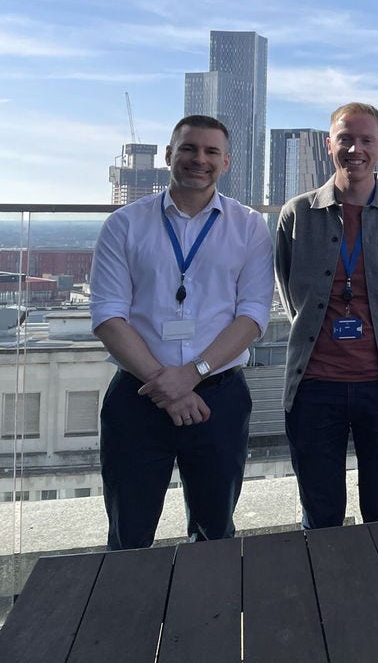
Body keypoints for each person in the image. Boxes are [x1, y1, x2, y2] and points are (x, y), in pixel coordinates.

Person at [90, 115, 274, 550]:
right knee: (127, 534)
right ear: (169, 155)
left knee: (215, 535)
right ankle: (130, 619)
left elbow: (252, 317)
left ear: (226, 162)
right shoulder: (125, 224)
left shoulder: (249, 226)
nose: (199, 159)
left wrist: (190, 375)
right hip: (138, 399)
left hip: (218, 398)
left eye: (211, 152)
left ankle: (208, 620)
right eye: (189, 148)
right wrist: (166, 383)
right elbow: (108, 316)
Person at [275, 102, 378, 529]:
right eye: (345, 138)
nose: (355, 148)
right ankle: (324, 597)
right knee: (320, 513)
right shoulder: (298, 214)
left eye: (366, 140)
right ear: (330, 145)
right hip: (314, 387)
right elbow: (290, 292)